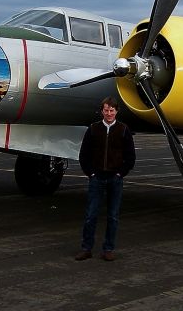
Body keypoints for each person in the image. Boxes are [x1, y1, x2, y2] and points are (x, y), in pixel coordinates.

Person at [75, 96, 136, 262]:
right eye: (106, 110)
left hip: (115, 178)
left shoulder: (124, 130)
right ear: (102, 111)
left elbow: (130, 156)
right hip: (97, 178)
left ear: (116, 111)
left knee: (113, 216)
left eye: (112, 110)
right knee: (90, 215)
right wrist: (91, 173)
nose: (109, 113)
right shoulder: (93, 129)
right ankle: (86, 248)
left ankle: (108, 249)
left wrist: (120, 174)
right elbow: (84, 155)